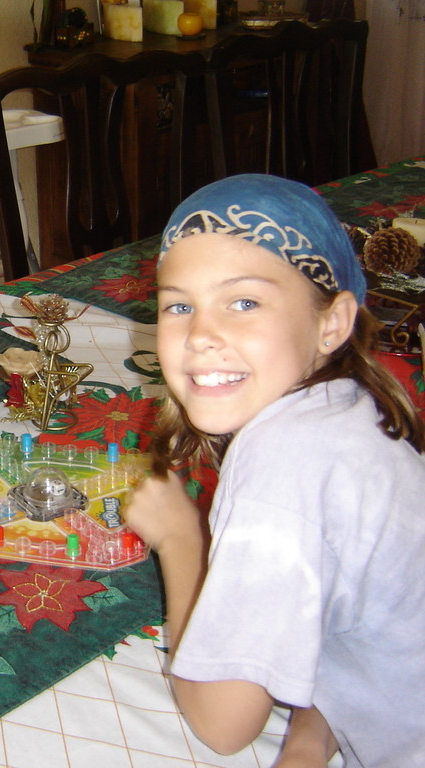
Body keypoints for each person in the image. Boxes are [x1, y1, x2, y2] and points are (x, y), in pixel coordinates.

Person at [124, 174, 425, 768]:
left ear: (332, 324)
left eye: (244, 302)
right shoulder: (349, 405)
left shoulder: (282, 464)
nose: (203, 335)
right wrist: (310, 737)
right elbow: (371, 625)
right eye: (179, 305)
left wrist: (181, 539)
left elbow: (223, 725)